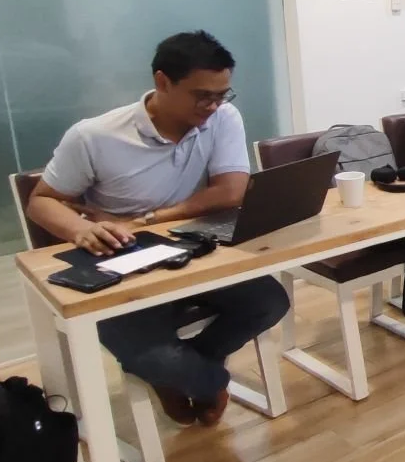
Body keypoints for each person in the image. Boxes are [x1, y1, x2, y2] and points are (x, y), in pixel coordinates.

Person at [27, 31, 289, 427]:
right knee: (159, 356)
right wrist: (79, 229)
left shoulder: (222, 118)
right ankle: (204, 379)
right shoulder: (94, 136)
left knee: (271, 301)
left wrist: (146, 219)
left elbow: (231, 190)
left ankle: (189, 369)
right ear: (162, 82)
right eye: (203, 95)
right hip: (119, 260)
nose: (214, 105)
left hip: (188, 248)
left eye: (223, 94)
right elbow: (41, 200)